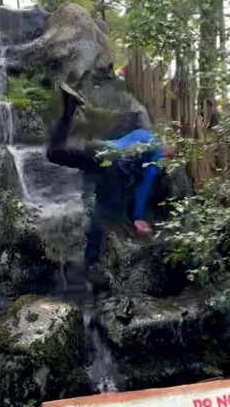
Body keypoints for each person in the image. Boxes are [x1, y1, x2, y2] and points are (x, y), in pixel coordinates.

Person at [45, 82, 176, 283]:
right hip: (113, 168)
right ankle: (89, 268)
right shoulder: (158, 155)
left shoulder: (144, 135)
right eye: (170, 158)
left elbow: (121, 146)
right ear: (169, 152)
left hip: (99, 149)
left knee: (54, 153)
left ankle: (68, 111)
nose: (167, 162)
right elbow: (144, 186)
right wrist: (138, 217)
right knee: (103, 214)